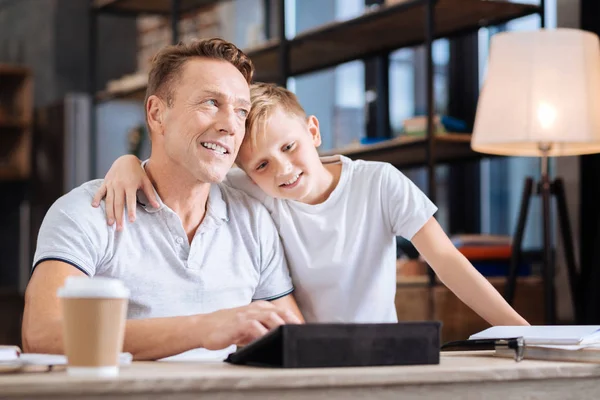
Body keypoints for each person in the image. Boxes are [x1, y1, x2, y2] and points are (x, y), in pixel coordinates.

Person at [94, 82, 529, 326]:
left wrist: (518, 329)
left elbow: (447, 261)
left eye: (290, 146)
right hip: (303, 355)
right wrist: (129, 162)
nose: (282, 170)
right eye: (261, 164)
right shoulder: (255, 190)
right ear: (247, 169)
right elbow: (188, 167)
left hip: (379, 351)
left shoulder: (379, 183)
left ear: (314, 132)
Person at [22, 39, 303, 362]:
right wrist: (203, 329)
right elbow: (42, 335)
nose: (230, 125)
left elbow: (293, 340)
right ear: (157, 114)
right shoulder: (86, 212)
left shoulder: (253, 220)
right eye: (211, 102)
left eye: (241, 111)